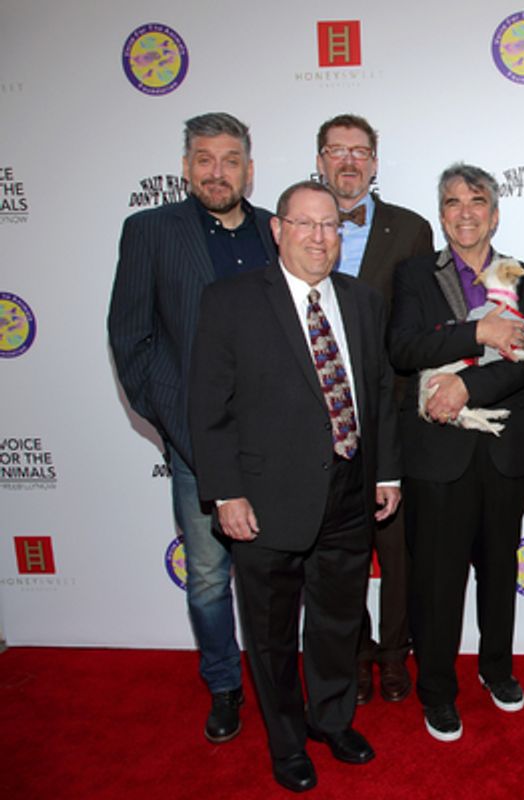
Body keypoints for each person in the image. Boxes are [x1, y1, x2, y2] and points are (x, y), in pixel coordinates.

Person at [188, 181, 402, 792]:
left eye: (330, 225)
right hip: (264, 501)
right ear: (277, 230)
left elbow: (380, 390)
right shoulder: (230, 300)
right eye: (304, 224)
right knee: (271, 635)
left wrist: (386, 471)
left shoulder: (363, 301)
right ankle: (285, 743)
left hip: (350, 493)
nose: (318, 237)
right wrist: (225, 493)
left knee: (337, 623)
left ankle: (331, 721)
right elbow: (208, 405)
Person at [107, 112, 275, 745]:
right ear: (185, 167)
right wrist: (182, 428)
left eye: (230, 160)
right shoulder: (149, 231)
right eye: (204, 159)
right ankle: (224, 685)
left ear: (248, 170)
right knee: (207, 576)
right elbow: (131, 338)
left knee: (275, 573)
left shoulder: (275, 230)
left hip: (275, 440)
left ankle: (278, 682)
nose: (217, 172)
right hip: (196, 443)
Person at [390, 164, 524, 742]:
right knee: (437, 578)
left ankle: (497, 669)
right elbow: (405, 348)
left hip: (504, 446)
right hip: (437, 451)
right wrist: (477, 334)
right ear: (441, 214)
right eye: (453, 202)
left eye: (477, 201)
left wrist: (465, 386)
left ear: (494, 214)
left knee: (500, 571)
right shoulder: (413, 275)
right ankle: (436, 689)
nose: (465, 212)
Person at [315, 113, 435, 705]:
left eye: (359, 151)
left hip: (392, 415)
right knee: (339, 552)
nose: (349, 161)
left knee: (398, 550)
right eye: (337, 151)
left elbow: (423, 326)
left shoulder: (411, 230)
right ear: (320, 161)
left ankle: (393, 653)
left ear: (375, 163)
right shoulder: (295, 224)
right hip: (317, 420)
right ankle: (356, 652)